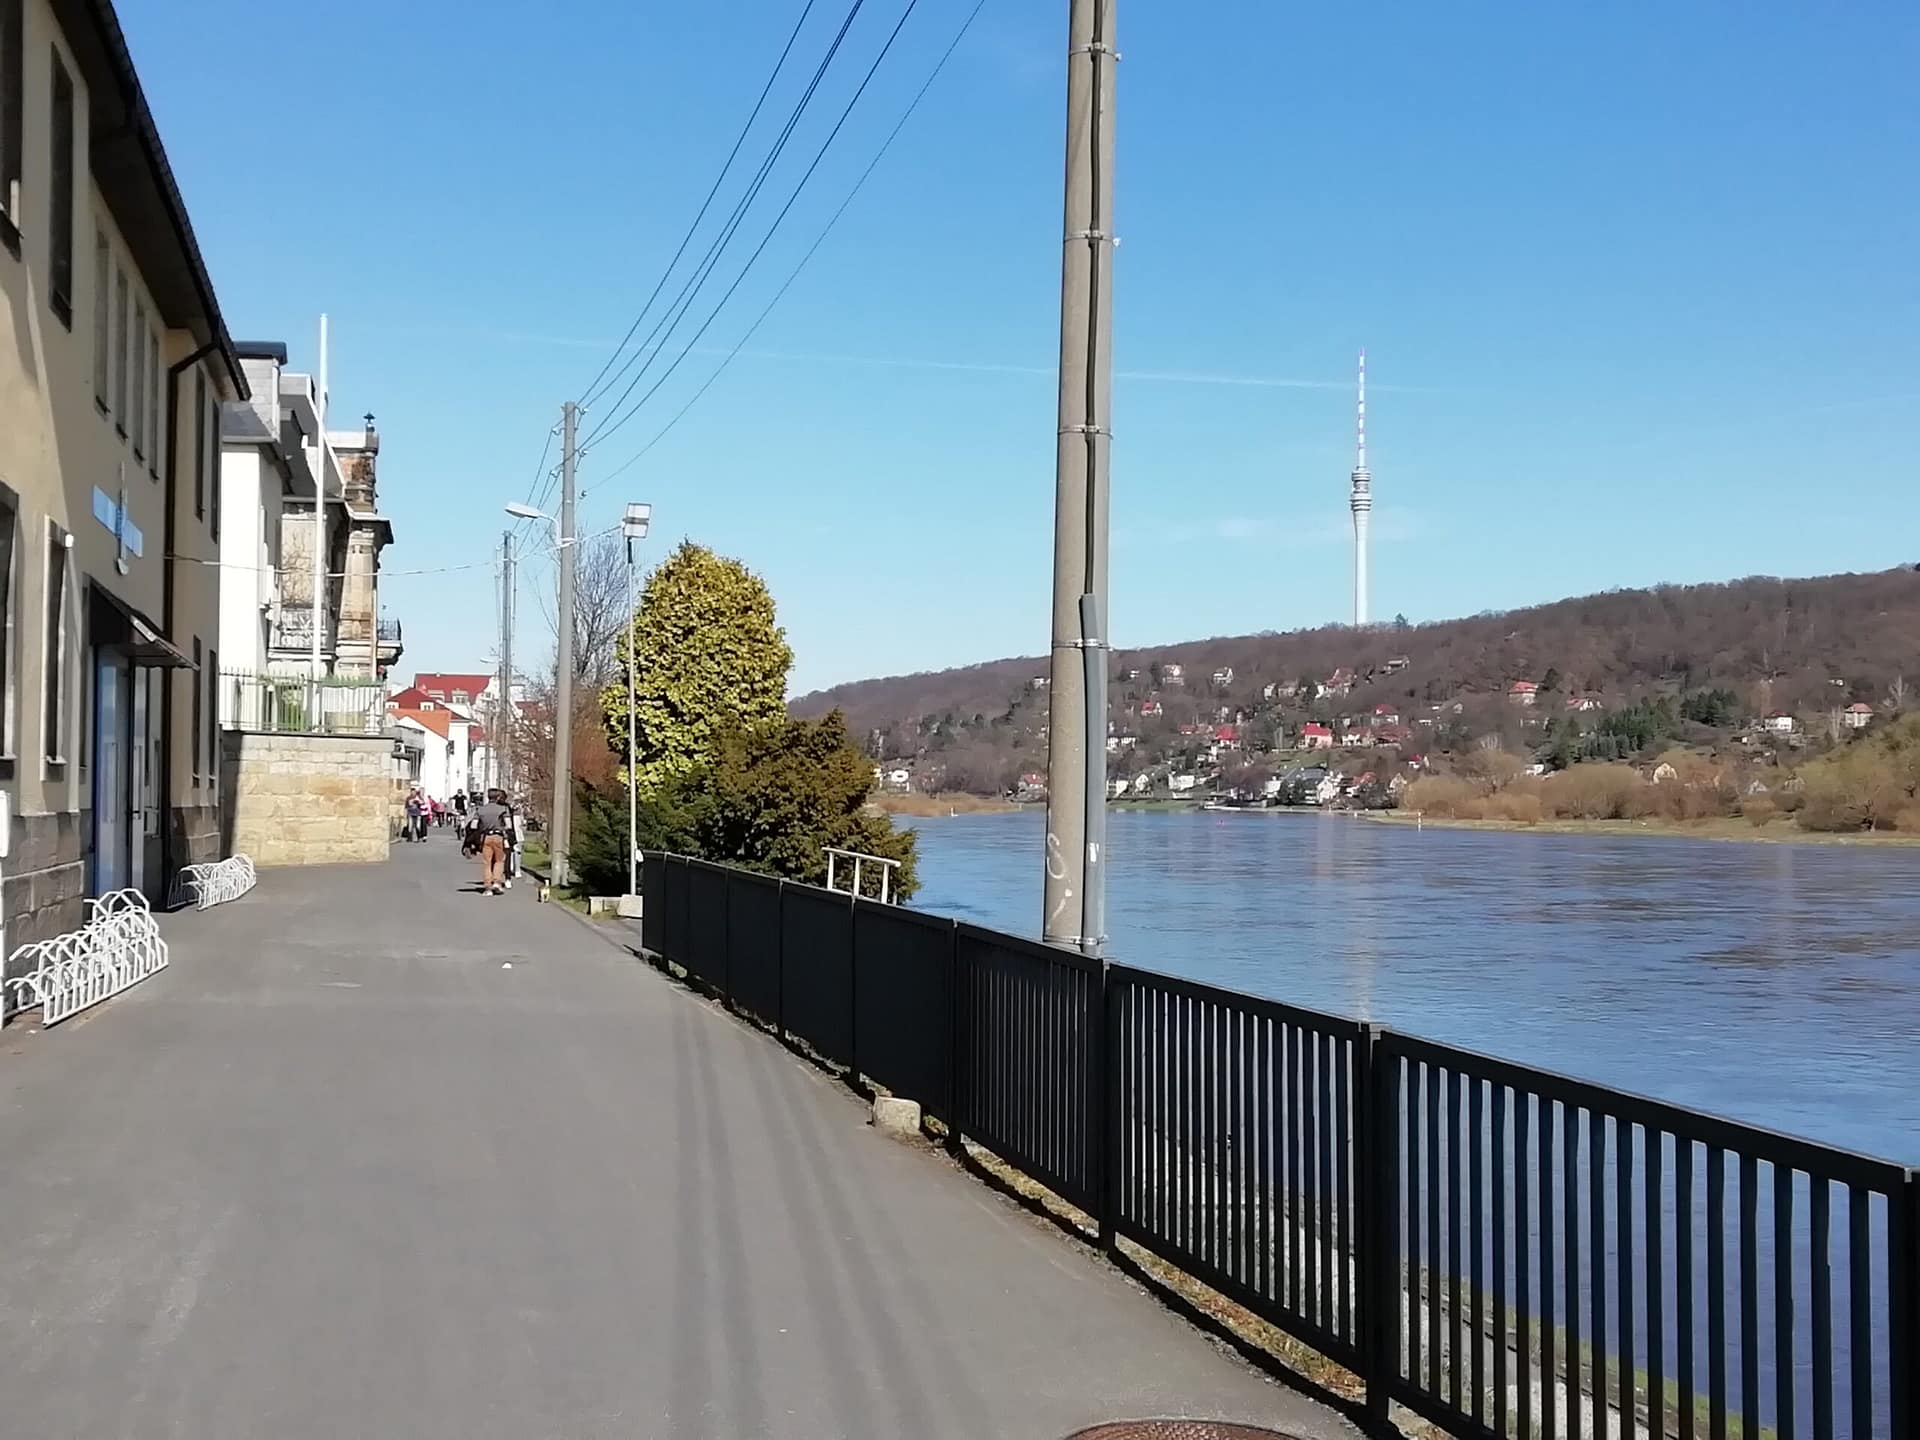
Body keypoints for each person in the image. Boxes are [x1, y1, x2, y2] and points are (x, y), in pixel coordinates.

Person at [472, 787, 512, 896]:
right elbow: (509, 825)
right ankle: (497, 882)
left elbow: (473, 825)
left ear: (488, 797)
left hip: (486, 837)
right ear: (498, 797)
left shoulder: (480, 810)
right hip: (498, 836)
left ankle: (487, 887)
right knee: (499, 860)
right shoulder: (503, 809)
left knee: (487, 862)